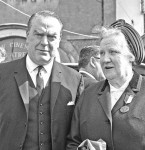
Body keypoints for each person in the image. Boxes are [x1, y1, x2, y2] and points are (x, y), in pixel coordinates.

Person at [0, 10, 84, 150]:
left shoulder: (74, 79)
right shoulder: (2, 74)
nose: (44, 42)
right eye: (38, 34)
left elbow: (77, 133)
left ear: (58, 40)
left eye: (51, 37)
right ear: (27, 36)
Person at [66, 19, 145, 150]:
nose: (105, 59)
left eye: (113, 52)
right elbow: (73, 142)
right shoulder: (88, 95)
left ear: (131, 56)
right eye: (102, 53)